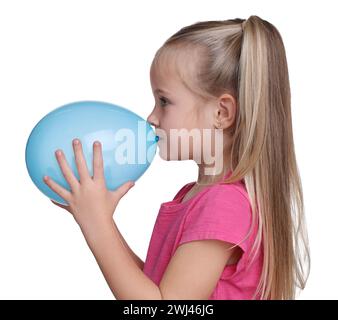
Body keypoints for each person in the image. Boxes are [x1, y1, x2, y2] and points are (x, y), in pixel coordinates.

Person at [45, 15, 310, 300]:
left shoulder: (224, 204)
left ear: (221, 113)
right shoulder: (196, 196)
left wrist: (98, 225)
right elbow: (157, 289)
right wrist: (99, 218)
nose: (151, 117)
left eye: (164, 101)